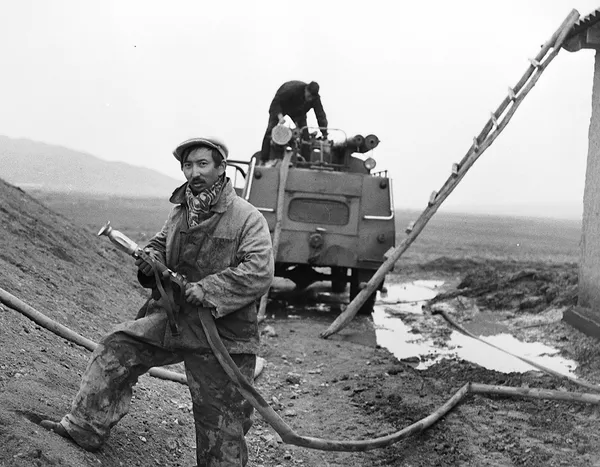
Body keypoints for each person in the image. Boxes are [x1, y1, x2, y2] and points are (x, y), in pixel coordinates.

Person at [41, 137, 274, 467]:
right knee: (117, 348)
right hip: (176, 320)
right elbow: (160, 245)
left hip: (225, 335)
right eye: (188, 166)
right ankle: (84, 428)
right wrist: (150, 260)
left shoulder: (246, 217)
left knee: (221, 423)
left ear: (222, 167)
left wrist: (209, 289)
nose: (194, 172)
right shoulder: (180, 213)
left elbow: (260, 270)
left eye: (202, 164)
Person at [260, 80, 328, 162]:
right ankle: (263, 159)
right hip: (282, 106)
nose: (310, 99)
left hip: (299, 112)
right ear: (306, 90)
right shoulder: (291, 90)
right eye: (309, 96)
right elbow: (276, 103)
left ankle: (306, 162)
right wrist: (280, 116)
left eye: (312, 98)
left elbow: (320, 115)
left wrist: (325, 134)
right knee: (270, 131)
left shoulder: (315, 99)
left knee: (305, 137)